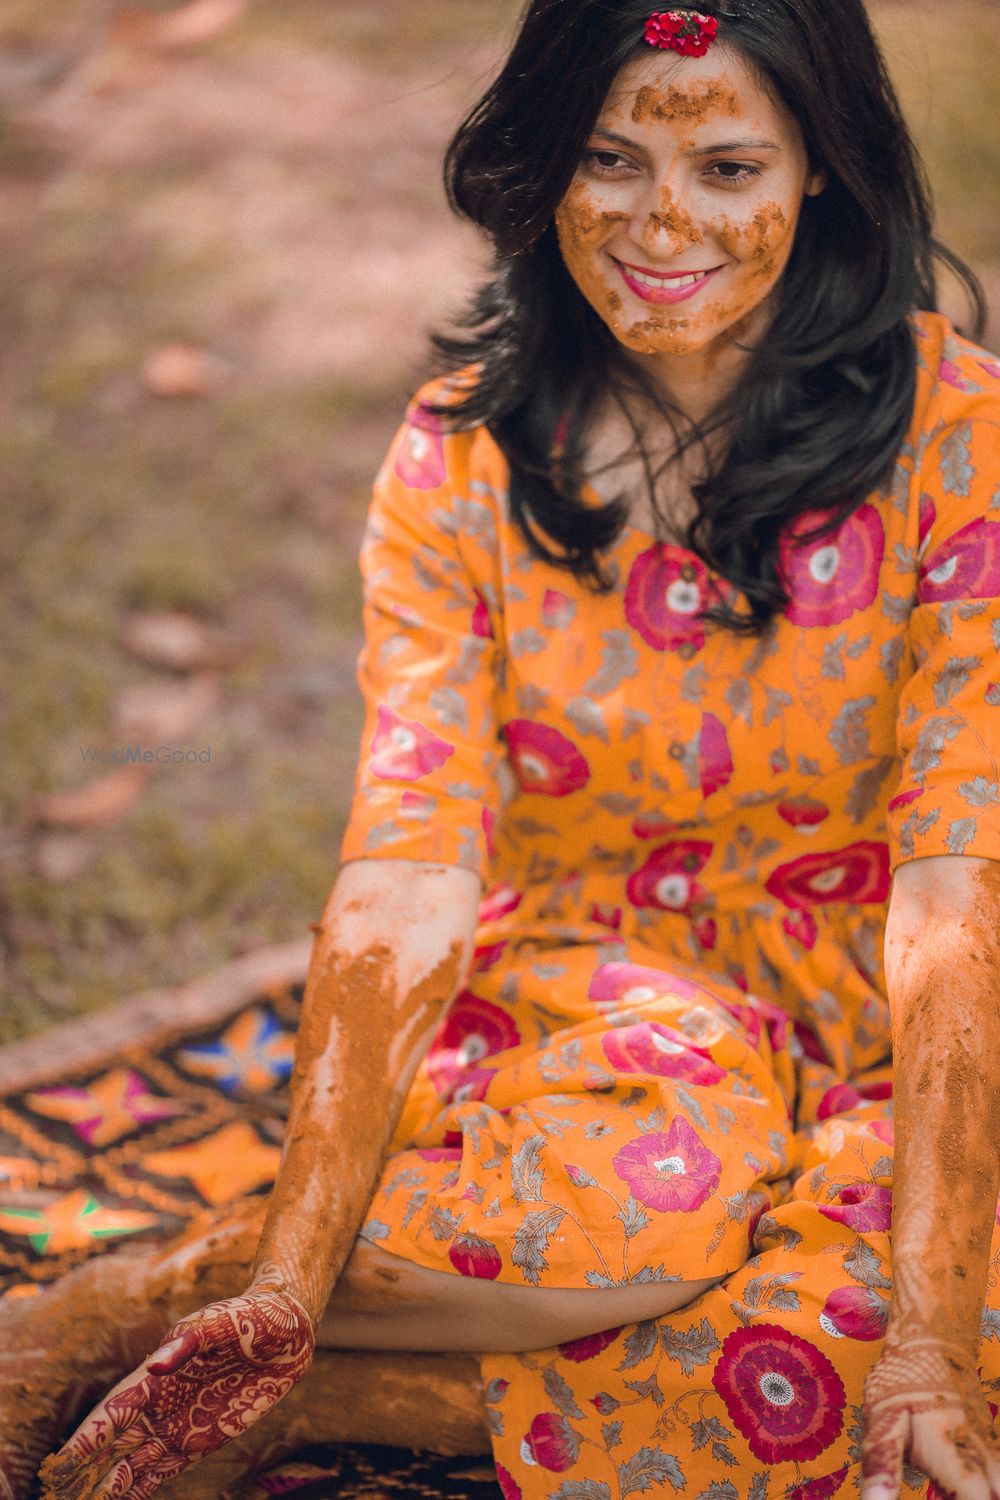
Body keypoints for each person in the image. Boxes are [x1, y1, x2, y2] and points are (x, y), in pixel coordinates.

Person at [4, 1, 1000, 1497]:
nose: (664, 221)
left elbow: (952, 878)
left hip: (876, 998)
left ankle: (326, 1394)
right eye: (611, 157)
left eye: (731, 168)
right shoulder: (458, 457)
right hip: (595, 996)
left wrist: (928, 1328)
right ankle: (152, 1298)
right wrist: (286, 1264)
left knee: (905, 1350)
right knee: (665, 1203)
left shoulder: (958, 436)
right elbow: (409, 861)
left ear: (826, 179)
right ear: (544, 171)